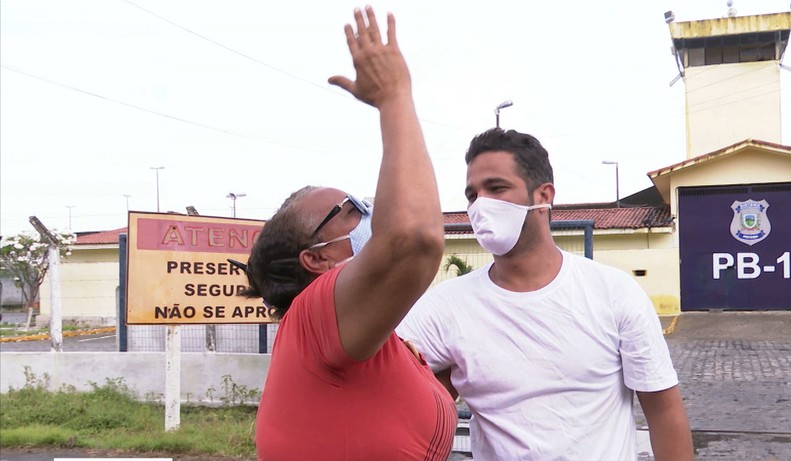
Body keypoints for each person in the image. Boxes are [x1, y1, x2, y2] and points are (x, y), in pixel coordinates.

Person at [397, 128, 695, 460]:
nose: (481, 205)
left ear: (543, 195)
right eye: (472, 195)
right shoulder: (445, 306)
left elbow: (664, 412)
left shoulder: (613, 293)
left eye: (496, 188)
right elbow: (382, 383)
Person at [238, 7, 455, 460]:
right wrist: (395, 95)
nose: (371, 212)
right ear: (315, 259)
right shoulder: (315, 316)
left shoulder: (361, 330)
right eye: (351, 210)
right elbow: (413, 236)